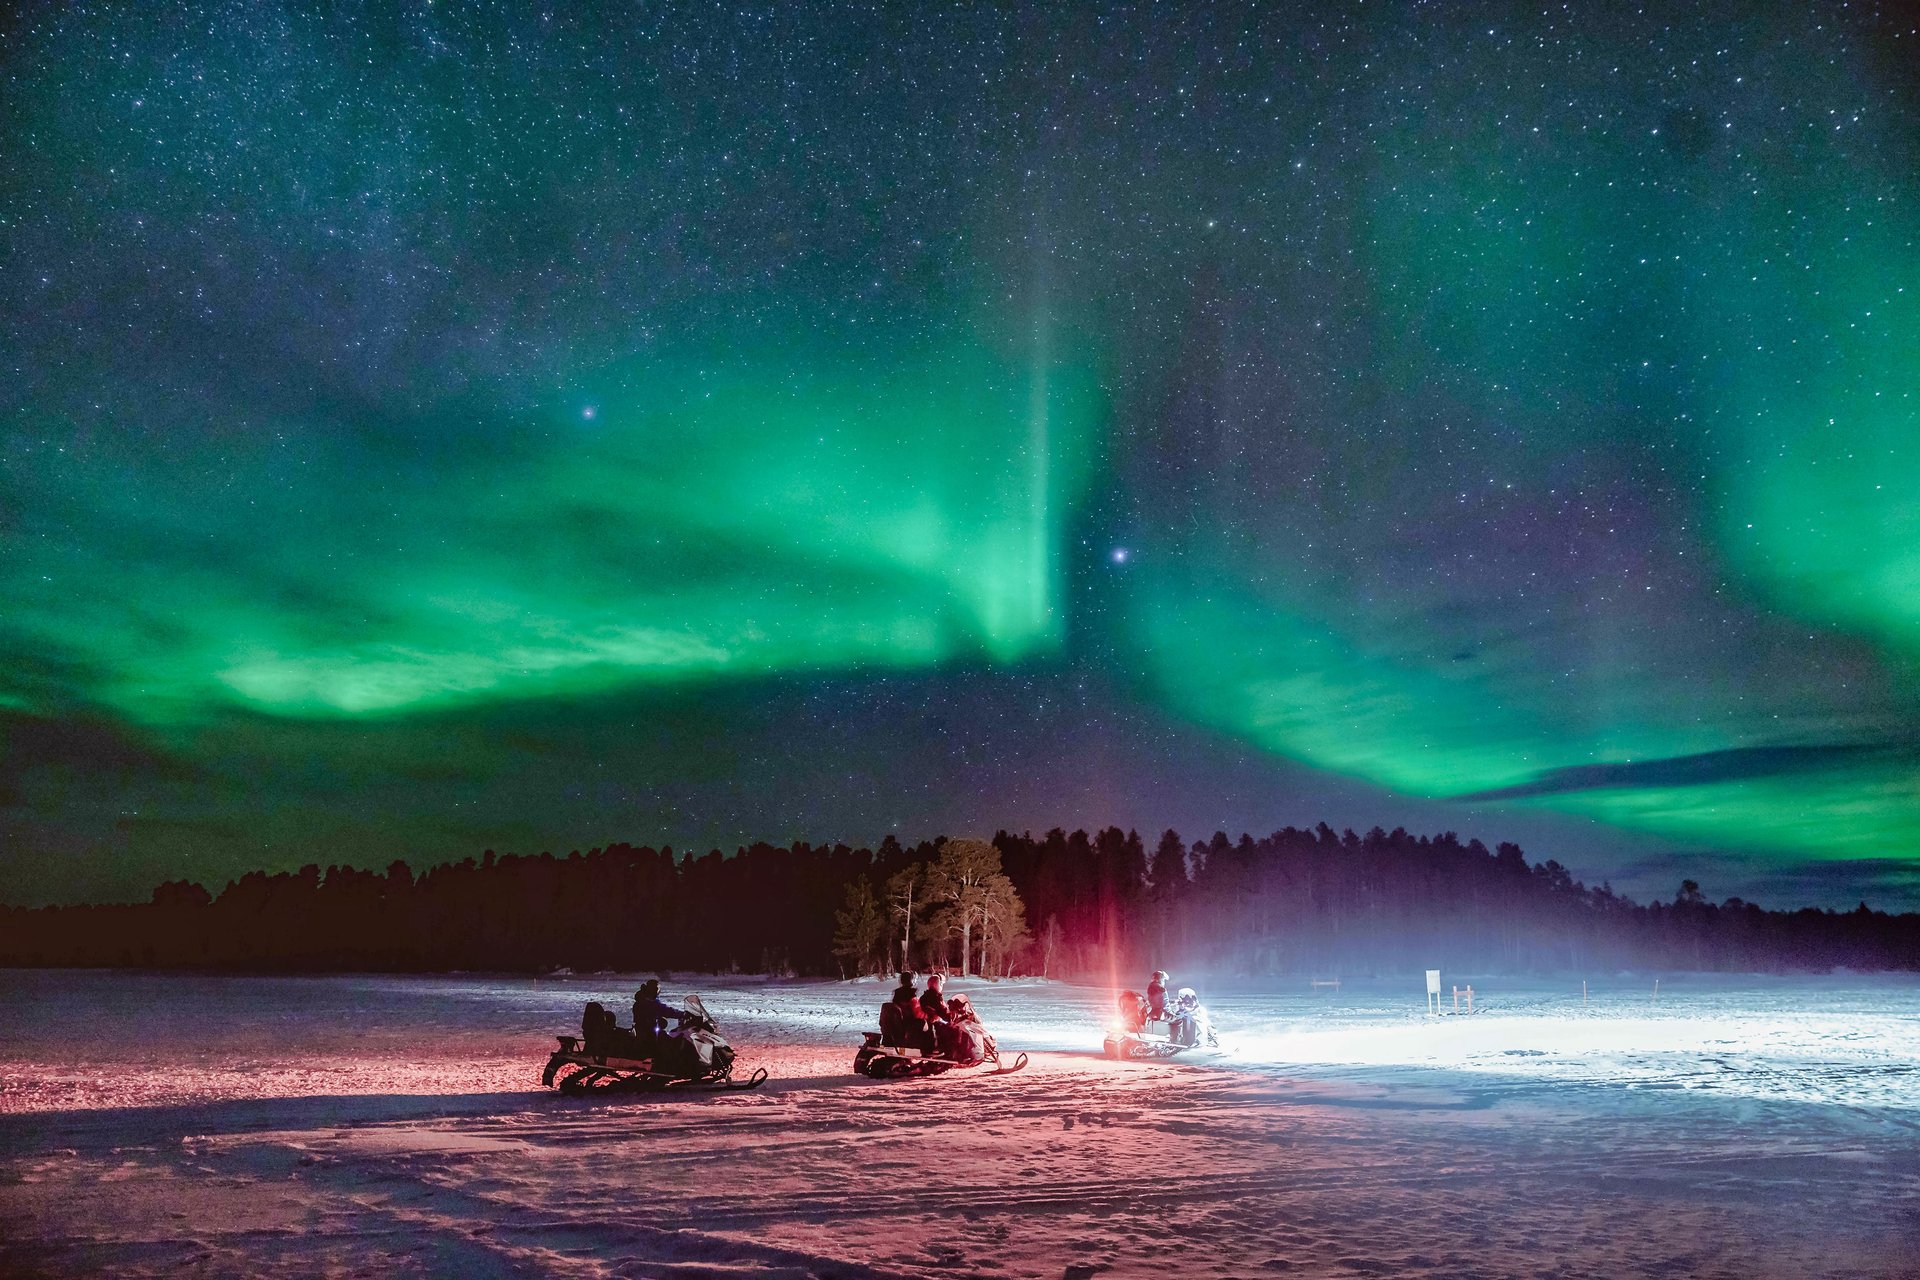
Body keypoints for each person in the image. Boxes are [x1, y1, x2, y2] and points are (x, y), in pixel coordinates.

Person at [880, 973, 933, 1051]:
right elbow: (917, 1013)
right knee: (927, 1024)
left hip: (899, 1024)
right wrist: (928, 1016)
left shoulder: (897, 994)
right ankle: (928, 1049)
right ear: (911, 981)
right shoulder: (911, 995)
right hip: (907, 1024)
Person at [632, 979, 690, 1046]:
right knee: (670, 1042)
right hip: (648, 1033)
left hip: (643, 1031)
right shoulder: (649, 1002)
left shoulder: (642, 1000)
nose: (658, 991)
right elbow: (666, 1011)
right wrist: (683, 1014)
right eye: (657, 989)